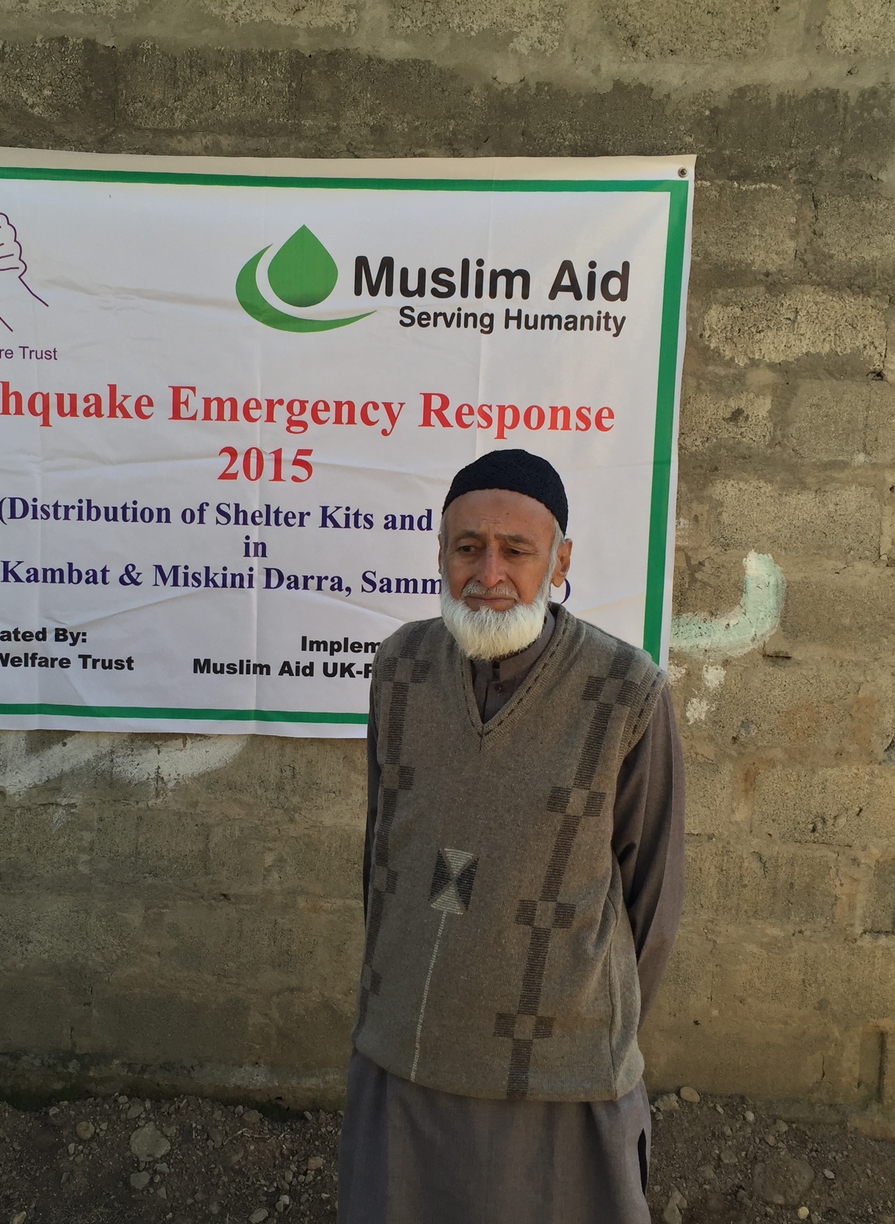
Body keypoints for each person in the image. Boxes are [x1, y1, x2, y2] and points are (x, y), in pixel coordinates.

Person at [339, 448, 686, 1224]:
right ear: (441, 554)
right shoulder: (400, 667)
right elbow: (383, 849)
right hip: (406, 1051)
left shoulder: (626, 691)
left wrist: (587, 1022)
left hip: (559, 1081)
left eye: (516, 550)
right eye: (468, 547)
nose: (488, 573)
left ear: (559, 562)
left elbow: (653, 892)